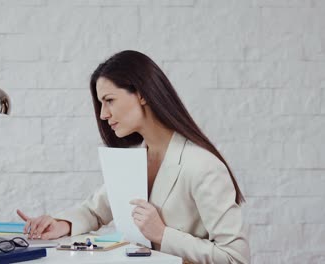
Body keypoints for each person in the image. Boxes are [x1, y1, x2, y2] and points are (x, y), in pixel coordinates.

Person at [16, 50, 250, 264]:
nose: (103, 114)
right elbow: (96, 210)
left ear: (141, 94)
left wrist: (162, 234)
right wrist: (61, 224)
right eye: (100, 103)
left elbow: (235, 258)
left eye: (109, 100)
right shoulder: (136, 160)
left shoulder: (202, 166)